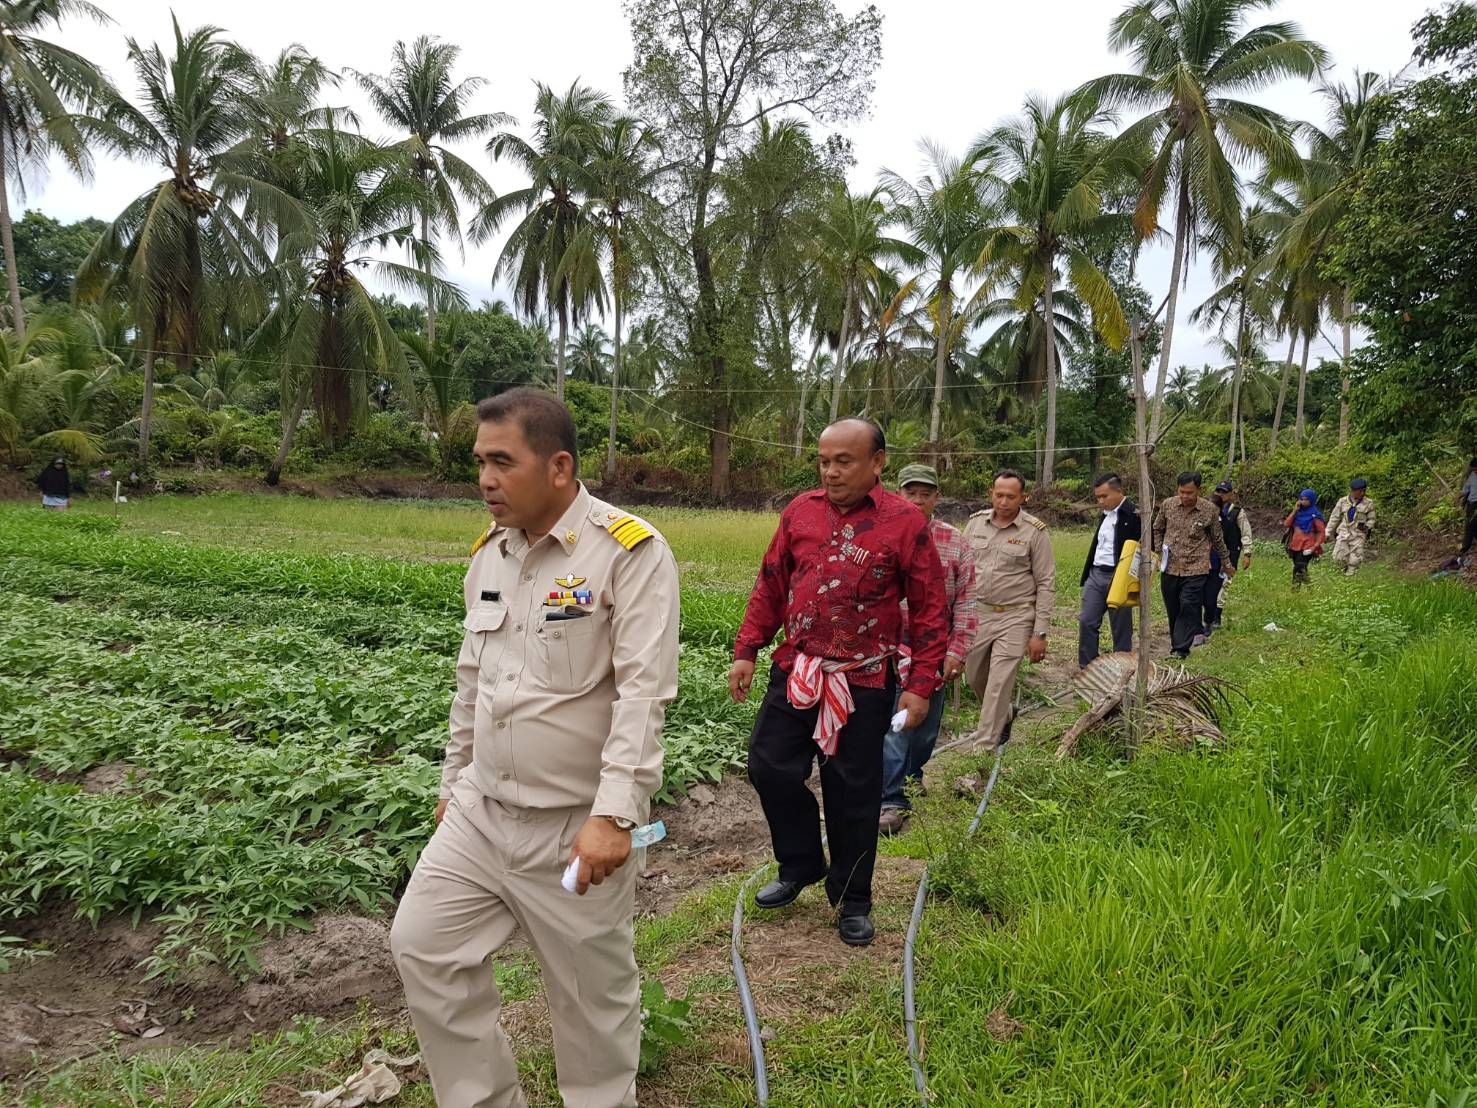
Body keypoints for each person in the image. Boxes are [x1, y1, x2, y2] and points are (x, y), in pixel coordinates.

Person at [390, 388, 680, 1108]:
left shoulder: (629, 553)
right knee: (424, 946)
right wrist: (454, 779)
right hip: (480, 814)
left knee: (590, 998)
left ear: (557, 466)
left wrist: (615, 814)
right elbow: (472, 679)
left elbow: (643, 693)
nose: (484, 479)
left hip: (572, 824)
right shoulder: (490, 554)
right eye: (478, 462)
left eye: (501, 461)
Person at [730, 419, 947, 947]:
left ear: (877, 463)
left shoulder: (904, 522)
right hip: (799, 668)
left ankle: (853, 899)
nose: (830, 471)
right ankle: (802, 862)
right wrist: (748, 648)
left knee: (853, 791)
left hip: (865, 679)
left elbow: (929, 608)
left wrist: (920, 683)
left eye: (843, 461)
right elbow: (771, 582)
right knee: (768, 763)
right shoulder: (799, 512)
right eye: (824, 461)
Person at [878, 463, 977, 836]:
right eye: (910, 492)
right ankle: (891, 798)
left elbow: (967, 601)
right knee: (895, 724)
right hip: (887, 650)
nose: (918, 500)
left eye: (925, 494)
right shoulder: (882, 534)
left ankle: (913, 774)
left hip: (932, 649)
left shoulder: (955, 542)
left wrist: (957, 650)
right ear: (898, 494)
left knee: (925, 728)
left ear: (936, 497)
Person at [960, 469, 1056, 750]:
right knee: (975, 676)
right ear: (991, 494)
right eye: (999, 495)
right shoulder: (975, 524)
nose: (1003, 501)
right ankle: (1005, 714)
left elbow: (1046, 584)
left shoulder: (1035, 532)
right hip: (980, 613)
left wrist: (1040, 632)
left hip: (1016, 615)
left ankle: (983, 749)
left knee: (999, 683)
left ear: (1023, 498)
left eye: (1010, 496)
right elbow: (962, 570)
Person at [1150, 471, 1234, 660]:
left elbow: (1218, 540)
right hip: (1170, 566)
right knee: (1173, 607)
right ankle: (1176, 643)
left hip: (1196, 567)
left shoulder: (1209, 510)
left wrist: (1226, 563)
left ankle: (1180, 649)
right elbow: (1157, 528)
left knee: (1188, 605)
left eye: (1190, 493)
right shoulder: (1168, 505)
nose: (1185, 497)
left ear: (1199, 490)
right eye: (1182, 492)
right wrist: (1158, 552)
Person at [1078, 473, 1140, 669]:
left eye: (1105, 496)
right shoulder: (1104, 515)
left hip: (1120, 575)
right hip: (1096, 574)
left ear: (1119, 492)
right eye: (1097, 497)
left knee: (1120, 627)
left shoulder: (1135, 515)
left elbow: (1144, 549)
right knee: (1087, 620)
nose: (1100, 501)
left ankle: (1121, 667)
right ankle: (1087, 666)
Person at [1203, 480, 1254, 634]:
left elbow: (1246, 533)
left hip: (1230, 554)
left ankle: (1216, 617)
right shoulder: (1208, 510)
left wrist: (1247, 553)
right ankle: (1208, 617)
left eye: (1224, 492)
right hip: (1209, 555)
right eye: (1218, 491)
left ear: (1231, 494)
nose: (1221, 494)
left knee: (1224, 585)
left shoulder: (1237, 512)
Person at [1328, 477, 1377, 576]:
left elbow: (1372, 518)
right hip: (1344, 532)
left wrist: (1367, 526)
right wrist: (1328, 531)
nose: (1362, 493)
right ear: (1353, 491)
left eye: (1364, 491)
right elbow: (1335, 517)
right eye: (1360, 491)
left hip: (1358, 534)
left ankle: (1350, 577)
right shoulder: (1342, 501)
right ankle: (1339, 575)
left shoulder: (1368, 503)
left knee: (1355, 559)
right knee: (1339, 556)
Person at [1283, 488, 1326, 584]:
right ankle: (1310, 588)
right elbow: (1287, 524)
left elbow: (1321, 532)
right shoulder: (1298, 512)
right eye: (1302, 499)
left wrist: (1315, 546)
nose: (1303, 502)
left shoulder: (1315, 515)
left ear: (1311, 500)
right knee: (1301, 570)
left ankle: (1294, 592)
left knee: (1298, 568)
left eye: (1306, 499)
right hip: (1295, 545)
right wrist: (1294, 511)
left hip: (1307, 546)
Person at [1459, 459, 1477, 556]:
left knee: (1472, 524)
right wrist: (1459, 497)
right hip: (1472, 503)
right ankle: (1465, 547)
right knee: (1470, 524)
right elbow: (1466, 489)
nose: (1475, 471)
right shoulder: (1472, 476)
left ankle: (1466, 547)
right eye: (1473, 470)